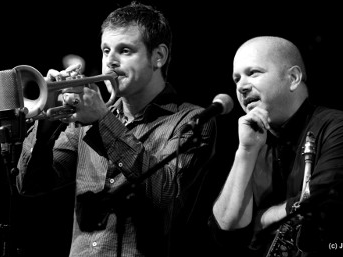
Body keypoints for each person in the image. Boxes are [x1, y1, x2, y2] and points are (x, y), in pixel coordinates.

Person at [16, 2, 217, 257]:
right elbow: (31, 185)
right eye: (105, 50)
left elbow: (164, 192)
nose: (110, 61)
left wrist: (102, 120)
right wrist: (45, 123)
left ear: (159, 56)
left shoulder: (191, 120)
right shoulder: (86, 120)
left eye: (125, 50)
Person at [209, 36, 343, 257]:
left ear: (293, 78)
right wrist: (245, 151)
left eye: (253, 73)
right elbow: (224, 233)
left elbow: (322, 205)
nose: (241, 87)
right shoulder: (253, 142)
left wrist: (260, 218)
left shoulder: (342, 127)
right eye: (236, 79)